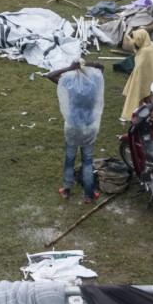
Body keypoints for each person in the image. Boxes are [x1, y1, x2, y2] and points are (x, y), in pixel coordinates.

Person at [46, 59, 105, 201]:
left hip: (72, 126)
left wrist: (69, 68)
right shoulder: (96, 81)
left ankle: (66, 189)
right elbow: (101, 68)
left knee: (70, 158)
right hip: (90, 126)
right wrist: (91, 65)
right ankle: (89, 194)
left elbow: (50, 75)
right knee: (87, 161)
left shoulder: (70, 83)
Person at [120, 28, 153, 123]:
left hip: (143, 80)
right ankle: (149, 119)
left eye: (137, 39)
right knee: (150, 100)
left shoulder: (145, 51)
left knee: (143, 100)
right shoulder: (151, 45)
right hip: (151, 78)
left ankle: (149, 119)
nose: (135, 42)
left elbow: (139, 68)